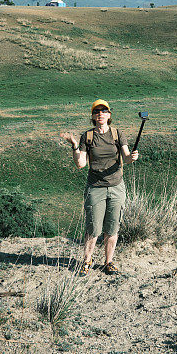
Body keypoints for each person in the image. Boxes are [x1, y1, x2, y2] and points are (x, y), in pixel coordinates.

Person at [60, 99, 139, 275]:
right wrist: (74, 146)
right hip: (95, 187)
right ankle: (87, 261)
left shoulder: (118, 134)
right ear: (93, 116)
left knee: (112, 228)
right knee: (93, 228)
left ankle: (108, 262)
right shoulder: (87, 137)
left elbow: (126, 158)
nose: (100, 114)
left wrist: (132, 157)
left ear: (109, 115)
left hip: (116, 186)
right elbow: (81, 163)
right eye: (97, 111)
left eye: (104, 111)